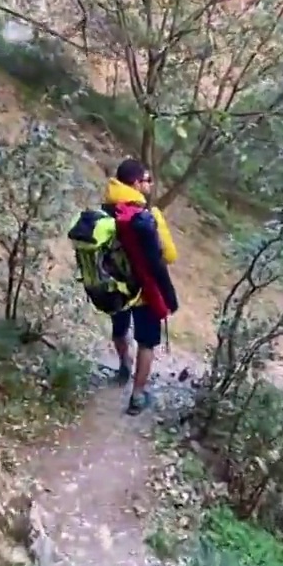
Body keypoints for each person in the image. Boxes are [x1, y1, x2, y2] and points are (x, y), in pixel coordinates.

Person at [102, 158, 179, 415]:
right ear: (136, 183)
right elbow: (168, 256)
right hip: (144, 291)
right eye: (147, 180)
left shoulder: (105, 211)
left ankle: (124, 364)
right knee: (146, 342)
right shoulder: (148, 216)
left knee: (119, 329)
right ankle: (137, 396)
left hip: (114, 286)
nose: (150, 184)